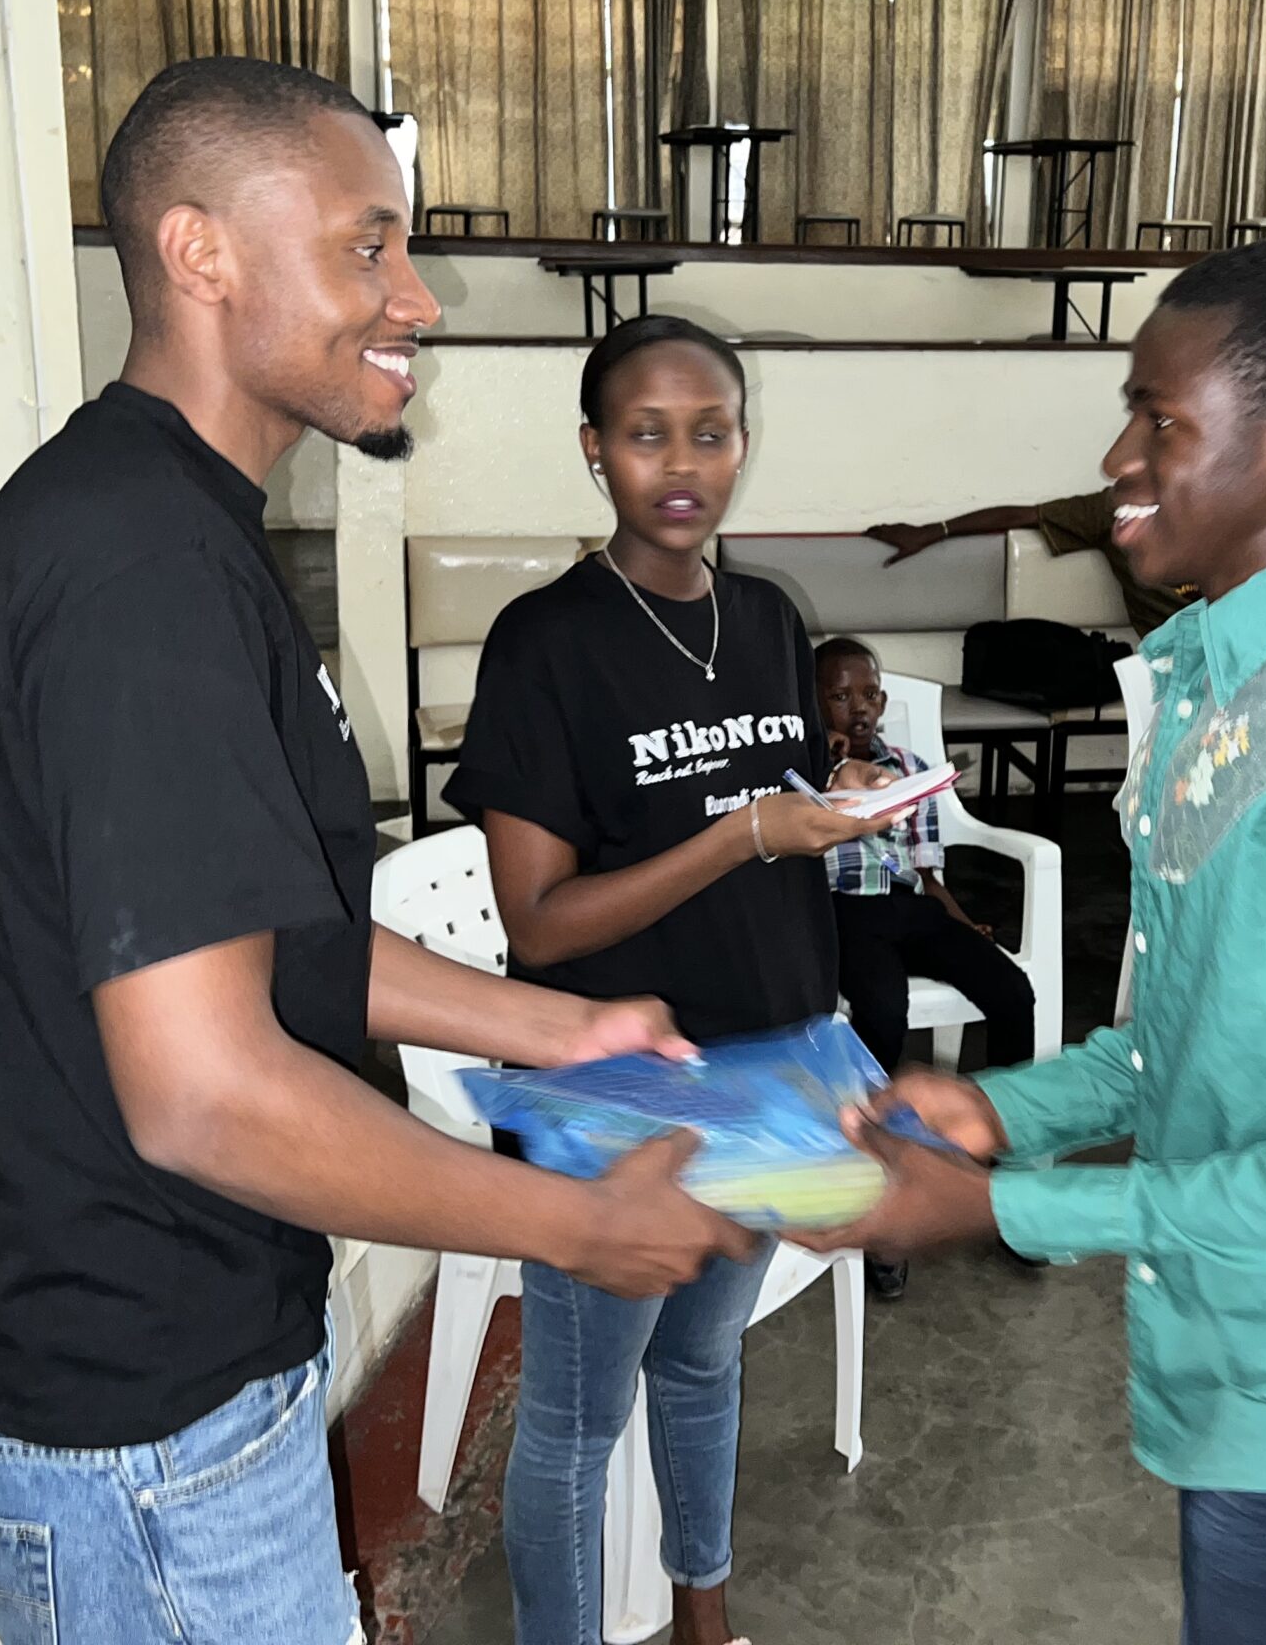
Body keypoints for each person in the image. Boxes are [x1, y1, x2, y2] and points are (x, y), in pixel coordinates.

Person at [0, 60, 750, 1645]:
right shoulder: (143, 572)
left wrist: (563, 1027)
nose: (416, 298)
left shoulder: (156, 519)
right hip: (126, 1410)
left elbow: (276, 940)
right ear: (201, 253)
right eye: (367, 247)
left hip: (141, 1360)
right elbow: (206, 1093)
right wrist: (572, 1226)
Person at [800, 239, 1266, 1645]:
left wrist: (1004, 1211)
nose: (1118, 458)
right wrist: (994, 1113)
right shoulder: (1224, 686)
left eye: (1160, 420)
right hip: (1245, 1346)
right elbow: (1179, 1043)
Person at [443, 314, 892, 1645]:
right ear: (595, 450)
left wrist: (833, 802)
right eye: (648, 435)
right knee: (578, 1418)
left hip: (770, 1056)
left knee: (702, 1362)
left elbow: (773, 814)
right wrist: (742, 832)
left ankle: (704, 1616)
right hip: (618, 1086)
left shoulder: (768, 619)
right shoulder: (544, 643)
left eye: (712, 432)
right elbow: (539, 926)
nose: (684, 464)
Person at [814, 634, 1036, 1300]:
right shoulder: (800, 777)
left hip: (911, 907)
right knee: (883, 1009)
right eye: (841, 696)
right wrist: (828, 772)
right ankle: (882, 1190)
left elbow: (928, 873)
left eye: (869, 694)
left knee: (1011, 992)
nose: (859, 707)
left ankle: (999, 1177)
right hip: (843, 912)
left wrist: (962, 923)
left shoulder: (908, 767)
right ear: (814, 703)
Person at [866, 487, 1195, 638]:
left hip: (1223, 649)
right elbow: (1024, 516)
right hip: (1176, 657)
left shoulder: (1220, 508)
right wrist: (935, 530)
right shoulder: (1120, 508)